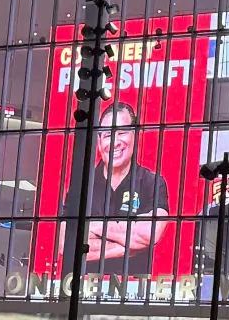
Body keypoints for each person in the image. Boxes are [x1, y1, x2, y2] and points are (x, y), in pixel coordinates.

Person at [63, 101, 172, 276]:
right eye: (107, 135)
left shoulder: (152, 183)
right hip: (85, 288)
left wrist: (91, 226)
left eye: (122, 133)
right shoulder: (81, 186)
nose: (115, 142)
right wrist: (127, 246)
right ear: (99, 142)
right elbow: (65, 243)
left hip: (134, 293)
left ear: (135, 136)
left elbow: (148, 235)